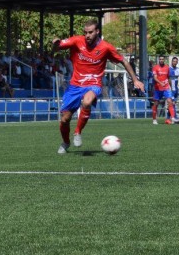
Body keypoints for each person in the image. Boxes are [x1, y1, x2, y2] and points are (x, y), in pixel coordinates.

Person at [52, 19, 144, 154]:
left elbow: (123, 60)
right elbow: (56, 48)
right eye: (85, 33)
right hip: (75, 85)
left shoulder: (106, 47)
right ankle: (66, 142)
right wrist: (55, 43)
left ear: (97, 31)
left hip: (93, 83)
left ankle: (78, 132)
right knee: (65, 119)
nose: (87, 35)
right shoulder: (77, 41)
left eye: (90, 32)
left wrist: (135, 80)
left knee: (87, 101)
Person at [151, 55, 178, 125]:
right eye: (160, 59)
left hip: (166, 88)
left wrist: (170, 86)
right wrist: (160, 83)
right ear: (158, 60)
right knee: (156, 104)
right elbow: (155, 78)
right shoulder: (155, 67)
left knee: (170, 101)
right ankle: (154, 119)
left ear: (164, 60)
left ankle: (172, 118)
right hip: (158, 88)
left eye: (162, 59)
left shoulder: (167, 68)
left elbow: (168, 77)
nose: (161, 60)